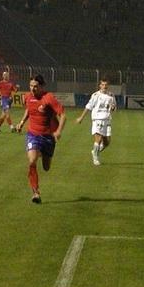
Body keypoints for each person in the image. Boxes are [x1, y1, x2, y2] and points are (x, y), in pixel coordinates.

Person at [16, 74, 66, 204]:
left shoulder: (49, 98)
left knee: (46, 167)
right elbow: (29, 109)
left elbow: (63, 115)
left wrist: (59, 131)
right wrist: (21, 122)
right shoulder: (28, 97)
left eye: (36, 86)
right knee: (32, 161)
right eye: (31, 86)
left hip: (48, 137)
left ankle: (43, 152)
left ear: (42, 86)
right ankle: (36, 192)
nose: (33, 89)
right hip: (33, 134)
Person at [75, 78, 117, 165]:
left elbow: (114, 108)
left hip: (107, 120)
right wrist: (81, 118)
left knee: (107, 142)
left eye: (106, 85)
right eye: (103, 85)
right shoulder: (95, 95)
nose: (104, 86)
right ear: (100, 86)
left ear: (108, 86)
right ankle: (96, 158)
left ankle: (95, 151)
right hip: (98, 119)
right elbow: (88, 107)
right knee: (99, 138)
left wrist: (113, 108)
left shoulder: (111, 95)